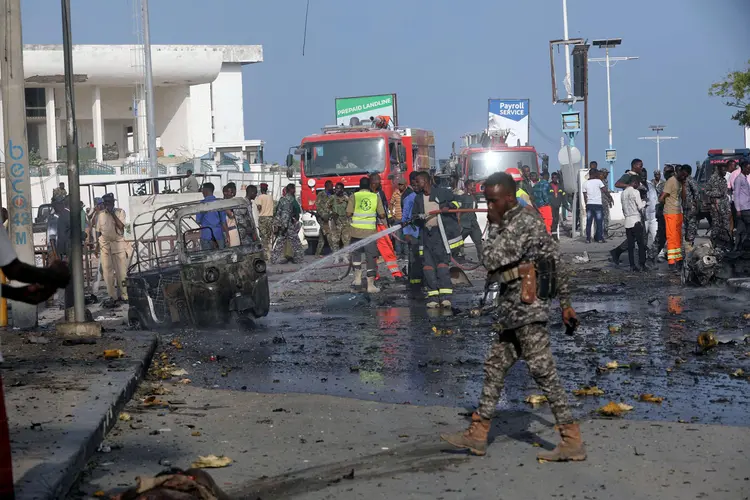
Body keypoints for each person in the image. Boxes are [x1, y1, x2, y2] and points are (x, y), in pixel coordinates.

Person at [440, 171, 583, 461]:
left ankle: (571, 439)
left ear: (508, 198)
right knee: (495, 365)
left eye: (493, 201)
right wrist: (565, 302)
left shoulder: (520, 223)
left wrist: (565, 302)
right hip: (512, 311)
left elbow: (492, 259)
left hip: (527, 311)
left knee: (544, 373)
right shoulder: (513, 221)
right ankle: (478, 434)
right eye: (486, 201)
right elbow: (555, 260)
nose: (489, 207)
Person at [413, 171, 462, 309]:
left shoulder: (442, 193)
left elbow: (458, 202)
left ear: (426, 180)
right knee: (428, 267)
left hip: (440, 234)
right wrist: (417, 218)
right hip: (426, 235)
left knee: (442, 266)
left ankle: (445, 298)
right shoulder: (418, 198)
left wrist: (449, 207)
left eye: (418, 181)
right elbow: (414, 217)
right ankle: (433, 297)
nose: (416, 184)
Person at [347, 176, 385, 293]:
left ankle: (357, 281)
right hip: (370, 233)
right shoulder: (375, 197)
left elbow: (348, 213)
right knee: (371, 258)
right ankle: (370, 286)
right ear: (369, 185)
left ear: (359, 185)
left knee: (356, 257)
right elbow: (382, 215)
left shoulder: (354, 196)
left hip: (355, 232)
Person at [95, 193, 129, 304]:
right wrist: (96, 246)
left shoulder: (120, 212)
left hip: (118, 245)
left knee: (122, 273)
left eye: (109, 203)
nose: (107, 205)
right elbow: (98, 231)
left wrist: (112, 214)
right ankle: (112, 296)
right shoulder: (101, 215)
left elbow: (121, 227)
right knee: (107, 273)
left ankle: (124, 295)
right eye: (106, 203)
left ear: (113, 203)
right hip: (105, 246)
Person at [370, 173, 404, 281]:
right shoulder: (368, 194)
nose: (380, 182)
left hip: (381, 225)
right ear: (373, 182)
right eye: (378, 181)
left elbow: (385, 208)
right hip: (370, 227)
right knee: (371, 253)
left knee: (388, 249)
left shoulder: (380, 193)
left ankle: (396, 274)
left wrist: (389, 220)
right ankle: (374, 276)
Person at [659, 165, 687, 269]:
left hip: (678, 212)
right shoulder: (671, 181)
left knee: (677, 237)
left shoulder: (680, 182)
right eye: (682, 173)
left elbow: (684, 197)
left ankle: (678, 259)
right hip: (671, 212)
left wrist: (683, 185)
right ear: (677, 172)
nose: (684, 176)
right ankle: (671, 262)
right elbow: (661, 198)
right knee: (672, 237)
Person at [271, 183, 304, 264]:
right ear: (291, 190)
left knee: (280, 242)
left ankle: (273, 259)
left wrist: (278, 224)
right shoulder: (290, 200)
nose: (295, 191)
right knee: (296, 242)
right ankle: (299, 259)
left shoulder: (282, 199)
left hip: (282, 224)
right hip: (287, 225)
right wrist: (287, 224)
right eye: (294, 189)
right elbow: (292, 212)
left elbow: (277, 211)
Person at [401, 171, 422, 289]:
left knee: (421, 257)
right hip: (412, 233)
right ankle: (414, 283)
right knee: (413, 258)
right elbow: (404, 218)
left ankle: (420, 280)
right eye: (414, 185)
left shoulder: (423, 196)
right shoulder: (409, 198)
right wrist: (406, 234)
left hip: (422, 233)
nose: (416, 187)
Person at [621, 176, 647, 271]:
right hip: (636, 220)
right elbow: (640, 207)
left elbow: (623, 209)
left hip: (627, 221)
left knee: (630, 246)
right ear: (635, 182)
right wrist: (645, 202)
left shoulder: (623, 193)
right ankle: (642, 264)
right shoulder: (635, 192)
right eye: (638, 183)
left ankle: (632, 265)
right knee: (641, 244)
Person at [650, 165, 674, 262]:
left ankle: (674, 260)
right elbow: (661, 199)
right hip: (663, 213)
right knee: (660, 238)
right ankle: (651, 258)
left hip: (671, 214)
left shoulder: (672, 183)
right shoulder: (665, 184)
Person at [705, 162, 732, 251]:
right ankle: (713, 244)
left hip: (724, 206)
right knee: (716, 226)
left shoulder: (723, 180)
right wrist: (717, 194)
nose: (725, 172)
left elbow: (725, 195)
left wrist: (728, 208)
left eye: (726, 170)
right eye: (723, 170)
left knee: (726, 225)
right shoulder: (713, 179)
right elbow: (707, 191)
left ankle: (726, 245)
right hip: (715, 207)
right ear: (719, 170)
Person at [455, 180, 483, 260]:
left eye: (475, 185)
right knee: (459, 242)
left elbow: (475, 208)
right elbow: (458, 210)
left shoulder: (474, 197)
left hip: (473, 223)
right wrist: (458, 222)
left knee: (478, 241)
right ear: (468, 186)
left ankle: (481, 259)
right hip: (464, 224)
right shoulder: (462, 197)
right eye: (473, 185)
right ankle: (459, 257)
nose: (474, 187)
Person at [196, 183, 227, 250]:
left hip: (206, 236)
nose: (202, 192)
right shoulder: (219, 203)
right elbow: (223, 222)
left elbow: (198, 221)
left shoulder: (201, 204)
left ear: (205, 190)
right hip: (218, 235)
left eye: (202, 190)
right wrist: (228, 235)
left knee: (208, 257)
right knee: (221, 257)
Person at [582, 170, 606, 243]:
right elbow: (604, 190)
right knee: (599, 222)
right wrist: (610, 197)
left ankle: (588, 239)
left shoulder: (585, 183)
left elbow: (585, 196)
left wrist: (586, 204)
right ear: (595, 174)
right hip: (598, 204)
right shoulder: (599, 181)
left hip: (589, 204)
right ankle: (599, 238)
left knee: (589, 222)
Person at [681, 165, 700, 251]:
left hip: (690, 207)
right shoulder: (681, 180)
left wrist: (695, 205)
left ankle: (690, 244)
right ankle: (685, 244)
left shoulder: (691, 180)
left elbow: (696, 192)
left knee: (691, 226)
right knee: (684, 226)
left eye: (683, 171)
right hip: (683, 207)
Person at [329, 182, 351, 260]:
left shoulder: (346, 198)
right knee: (335, 240)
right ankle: (336, 257)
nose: (336, 190)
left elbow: (351, 208)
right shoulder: (332, 198)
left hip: (345, 221)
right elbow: (326, 208)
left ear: (342, 189)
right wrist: (331, 213)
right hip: (335, 222)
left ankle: (346, 257)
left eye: (338, 188)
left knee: (346, 240)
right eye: (336, 188)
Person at [733, 160, 750, 250]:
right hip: (744, 208)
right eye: (748, 168)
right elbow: (736, 195)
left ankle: (738, 247)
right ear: (743, 168)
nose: (749, 170)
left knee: (741, 229)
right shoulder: (739, 179)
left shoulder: (744, 178)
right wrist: (738, 209)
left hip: (747, 206)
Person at [314, 181, 334, 257]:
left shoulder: (332, 194)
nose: (332, 187)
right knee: (328, 234)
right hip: (322, 218)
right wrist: (324, 215)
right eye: (331, 185)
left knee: (322, 237)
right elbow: (318, 206)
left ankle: (317, 253)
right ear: (326, 186)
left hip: (330, 217)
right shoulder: (321, 195)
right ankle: (335, 252)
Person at [255, 183, 275, 259]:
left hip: (263, 218)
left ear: (261, 189)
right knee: (269, 236)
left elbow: (259, 207)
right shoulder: (270, 197)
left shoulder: (259, 197)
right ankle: (270, 254)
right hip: (270, 218)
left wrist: (258, 207)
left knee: (263, 237)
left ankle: (266, 255)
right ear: (266, 189)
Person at [549, 172, 570, 239]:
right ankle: (550, 236)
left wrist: (566, 206)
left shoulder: (560, 186)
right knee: (551, 221)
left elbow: (563, 198)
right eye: (553, 177)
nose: (555, 179)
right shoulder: (548, 185)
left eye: (556, 177)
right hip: (550, 206)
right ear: (551, 178)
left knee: (556, 220)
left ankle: (554, 236)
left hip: (557, 206)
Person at [390, 176, 406, 258]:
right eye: (399, 185)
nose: (400, 186)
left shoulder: (407, 193)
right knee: (398, 237)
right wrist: (392, 215)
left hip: (405, 219)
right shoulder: (395, 193)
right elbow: (391, 204)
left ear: (405, 185)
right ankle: (399, 254)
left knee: (406, 236)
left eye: (402, 185)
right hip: (397, 218)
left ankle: (406, 253)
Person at [644, 172, 659, 248]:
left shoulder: (651, 185)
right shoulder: (636, 185)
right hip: (643, 217)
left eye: (645, 174)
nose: (644, 176)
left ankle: (659, 255)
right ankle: (644, 255)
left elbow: (655, 199)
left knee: (656, 236)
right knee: (643, 239)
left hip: (653, 216)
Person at [599, 169, 614, 238]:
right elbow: (605, 191)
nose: (607, 175)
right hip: (600, 200)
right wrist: (610, 198)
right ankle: (603, 232)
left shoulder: (605, 181)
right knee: (602, 217)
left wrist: (608, 200)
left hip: (605, 200)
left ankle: (605, 231)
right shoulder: (599, 181)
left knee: (605, 217)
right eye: (606, 173)